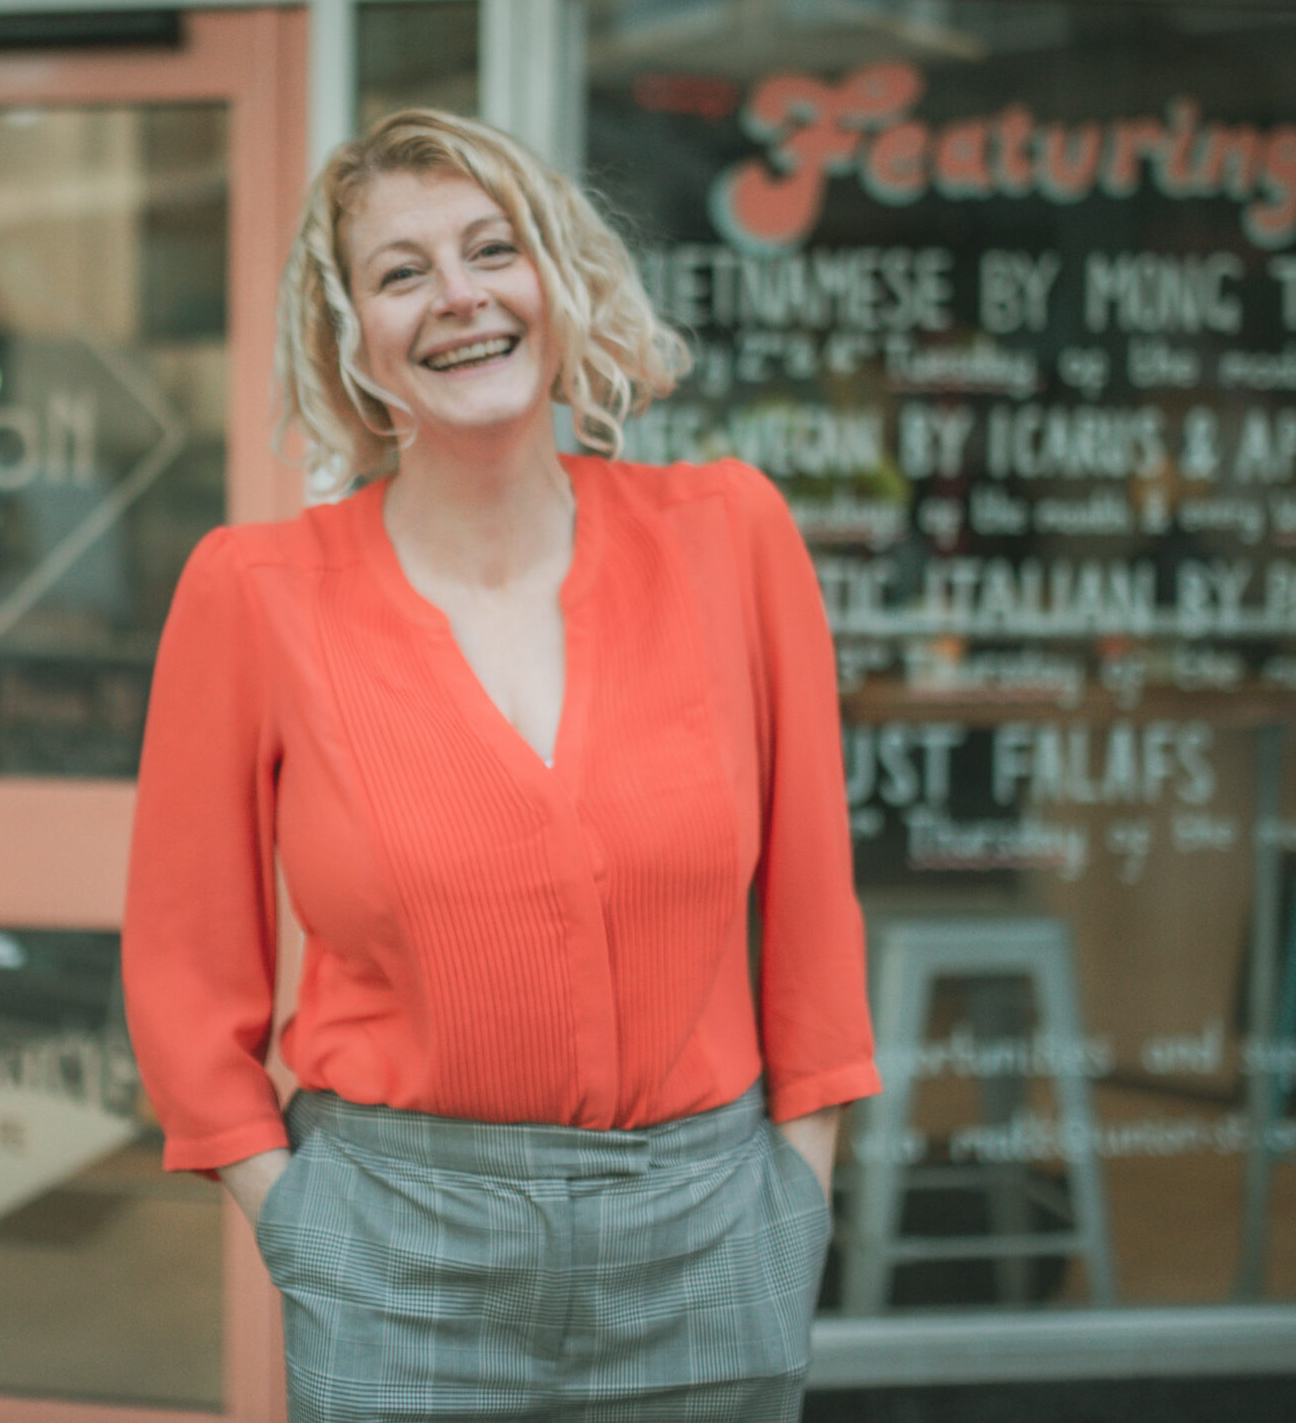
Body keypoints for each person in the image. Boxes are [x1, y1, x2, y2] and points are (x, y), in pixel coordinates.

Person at [121, 109, 879, 1421]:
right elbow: (187, 972)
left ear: (558, 279)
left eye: (492, 248)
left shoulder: (730, 535)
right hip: (401, 1248)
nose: (459, 297)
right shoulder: (256, 594)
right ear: (352, 339)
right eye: (401, 272)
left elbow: (814, 907)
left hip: (708, 1240)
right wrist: (299, 1223)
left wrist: (793, 1200)